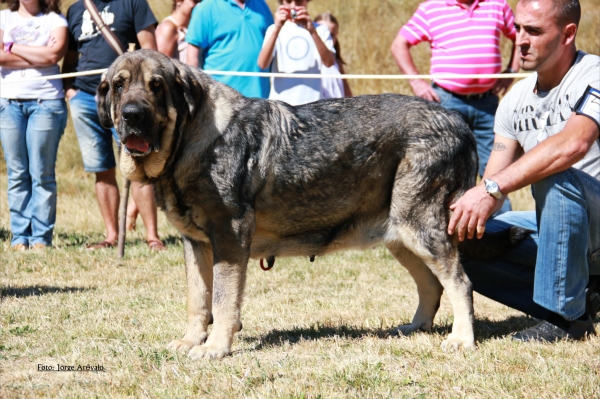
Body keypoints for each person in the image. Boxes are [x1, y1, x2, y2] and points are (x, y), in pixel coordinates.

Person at [449, 0, 600, 342]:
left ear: (568, 33)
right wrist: (467, 212)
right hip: (561, 231)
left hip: (598, 226)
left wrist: (491, 190)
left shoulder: (593, 75)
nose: (520, 40)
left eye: (534, 30)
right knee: (468, 237)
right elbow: (491, 184)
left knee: (556, 173)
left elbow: (573, 144)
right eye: (518, 28)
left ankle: (566, 320)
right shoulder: (515, 100)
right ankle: (587, 300)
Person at [62, 0, 165, 251]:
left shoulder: (133, 4)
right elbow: (72, 57)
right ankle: (111, 235)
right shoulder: (76, 10)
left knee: (138, 164)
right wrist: (70, 91)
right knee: (102, 168)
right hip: (86, 99)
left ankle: (152, 236)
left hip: (128, 103)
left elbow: (152, 53)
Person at [390, 0, 521, 189]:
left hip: (488, 104)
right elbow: (399, 45)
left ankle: (497, 217)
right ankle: (452, 217)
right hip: (447, 103)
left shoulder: (497, 4)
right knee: (447, 171)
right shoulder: (431, 8)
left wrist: (511, 71)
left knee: (496, 172)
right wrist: (416, 81)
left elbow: (519, 35)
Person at [123, 0, 200, 232]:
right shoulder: (167, 29)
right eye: (194, 1)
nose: (198, 5)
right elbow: (157, 70)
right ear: (178, 2)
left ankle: (130, 217)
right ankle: (130, 217)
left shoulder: (187, 28)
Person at [0, 0, 69, 251]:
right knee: (17, 173)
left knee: (42, 174)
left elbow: (53, 55)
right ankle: (20, 236)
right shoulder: (3, 18)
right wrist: (37, 56)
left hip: (46, 103)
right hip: (8, 104)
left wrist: (11, 47)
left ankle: (40, 237)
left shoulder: (56, 21)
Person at [185, 0, 273, 98]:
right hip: (221, 100)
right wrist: (194, 94)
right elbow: (192, 57)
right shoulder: (206, 7)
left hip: (259, 99)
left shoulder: (262, 5)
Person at [257, 0, 335, 105]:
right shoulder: (273, 29)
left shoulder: (320, 30)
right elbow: (262, 64)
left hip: (313, 105)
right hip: (281, 105)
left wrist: (311, 30)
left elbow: (329, 62)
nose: (293, 6)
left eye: (298, 1)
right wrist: (277, 28)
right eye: (288, 1)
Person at [314, 12, 352, 99]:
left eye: (331, 35)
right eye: (322, 34)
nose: (328, 38)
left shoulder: (337, 63)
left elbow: (348, 94)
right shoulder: (311, 63)